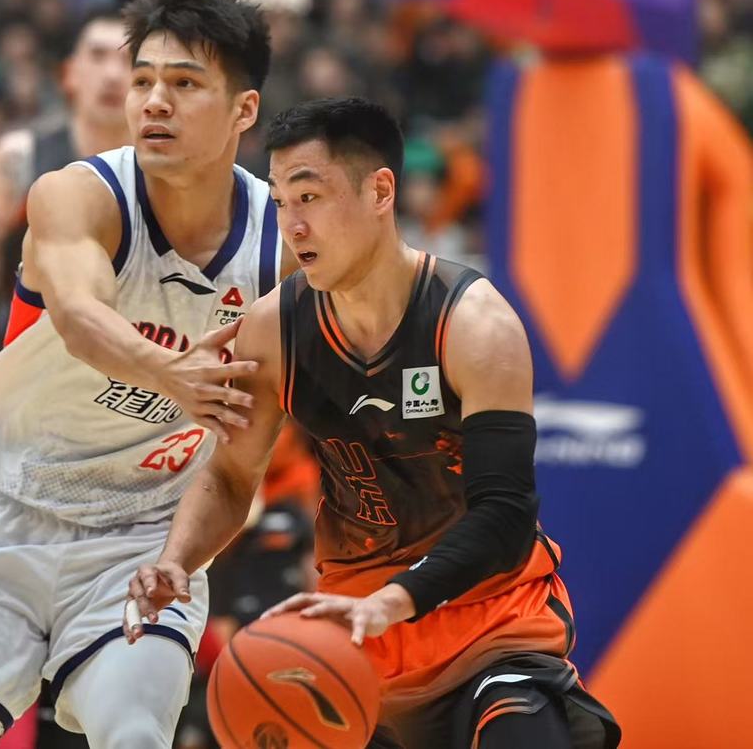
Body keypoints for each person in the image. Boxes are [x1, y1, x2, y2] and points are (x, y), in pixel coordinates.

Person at [125, 98, 622, 749]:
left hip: (491, 626)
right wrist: (176, 561)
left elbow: (504, 518)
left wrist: (393, 599)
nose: (293, 225)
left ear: (380, 191)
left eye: (310, 197)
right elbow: (231, 475)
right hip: (356, 640)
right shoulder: (274, 329)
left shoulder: (474, 325)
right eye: (280, 202)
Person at [0, 0, 292, 749]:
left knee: (134, 732)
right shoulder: (76, 195)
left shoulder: (282, 253)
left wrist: (180, 560)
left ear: (244, 110)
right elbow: (78, 317)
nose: (154, 101)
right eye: (144, 81)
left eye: (183, 84)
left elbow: (239, 471)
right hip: (9, 509)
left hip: (143, 533)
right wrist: (170, 373)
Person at [0, 8, 132, 387]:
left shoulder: (164, 170)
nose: (113, 74)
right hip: (30, 375)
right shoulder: (19, 157)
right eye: (98, 55)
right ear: (69, 74)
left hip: (128, 378)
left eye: (128, 60)